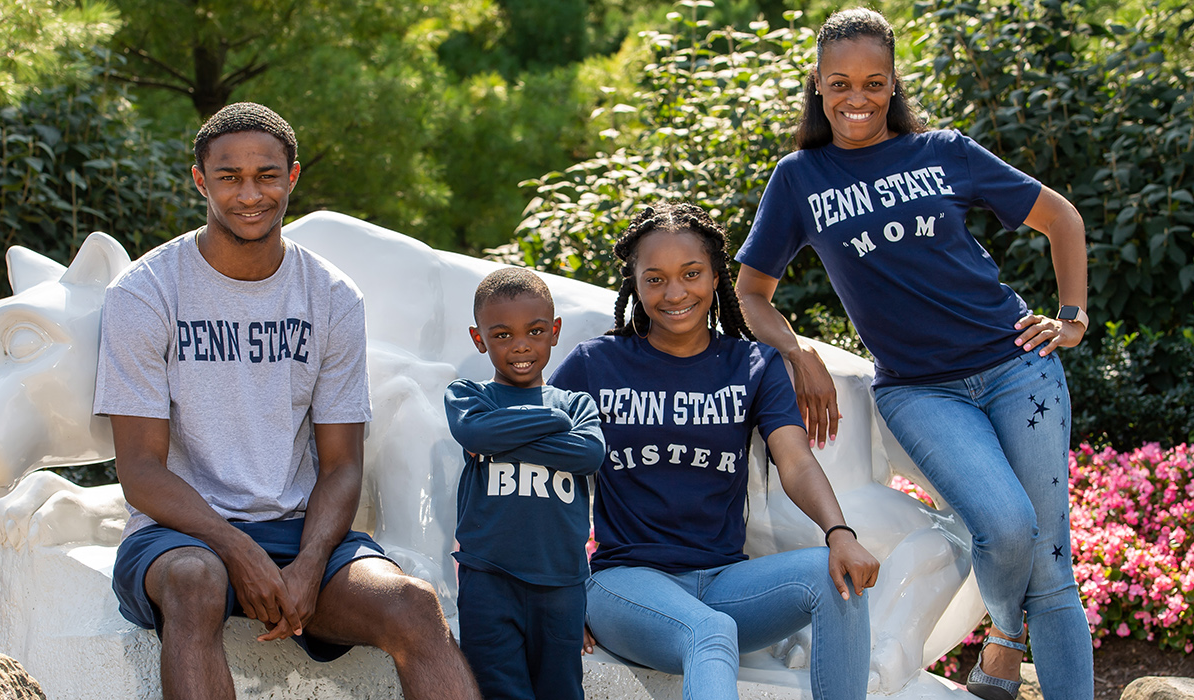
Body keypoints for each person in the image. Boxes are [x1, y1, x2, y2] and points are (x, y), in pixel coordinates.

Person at [733, 9, 1093, 700]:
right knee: (1005, 524)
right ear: (817, 83)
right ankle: (1006, 640)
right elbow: (752, 294)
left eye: (874, 82)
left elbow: (1061, 219)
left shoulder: (943, 152)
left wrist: (1071, 318)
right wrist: (796, 348)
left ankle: (1008, 643)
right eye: (840, 83)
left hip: (1019, 365)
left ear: (893, 81)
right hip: (920, 390)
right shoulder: (799, 178)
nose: (857, 98)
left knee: (1051, 566)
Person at [93, 102, 480, 700]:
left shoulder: (331, 297)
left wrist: (307, 563)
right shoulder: (145, 294)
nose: (250, 194)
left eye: (267, 175)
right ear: (201, 180)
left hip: (301, 532)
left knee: (413, 604)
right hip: (181, 536)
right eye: (229, 177)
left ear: (292, 177)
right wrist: (237, 550)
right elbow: (140, 471)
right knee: (197, 584)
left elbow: (342, 464)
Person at [550, 202, 878, 700]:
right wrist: (556, 593)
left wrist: (839, 533)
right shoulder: (595, 364)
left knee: (838, 579)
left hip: (726, 580)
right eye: (655, 278)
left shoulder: (752, 364)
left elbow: (795, 460)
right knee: (711, 632)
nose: (675, 292)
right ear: (634, 284)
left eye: (691, 274)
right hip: (627, 583)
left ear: (716, 275)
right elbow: (545, 472)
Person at [443, 267, 607, 700]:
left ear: (554, 332)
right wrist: (552, 423)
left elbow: (589, 454)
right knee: (500, 691)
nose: (520, 345)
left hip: (561, 583)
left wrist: (506, 437)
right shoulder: (469, 396)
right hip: (488, 581)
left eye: (535, 331)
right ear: (479, 339)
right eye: (502, 335)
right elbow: (476, 434)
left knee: (562, 691)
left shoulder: (576, 403)